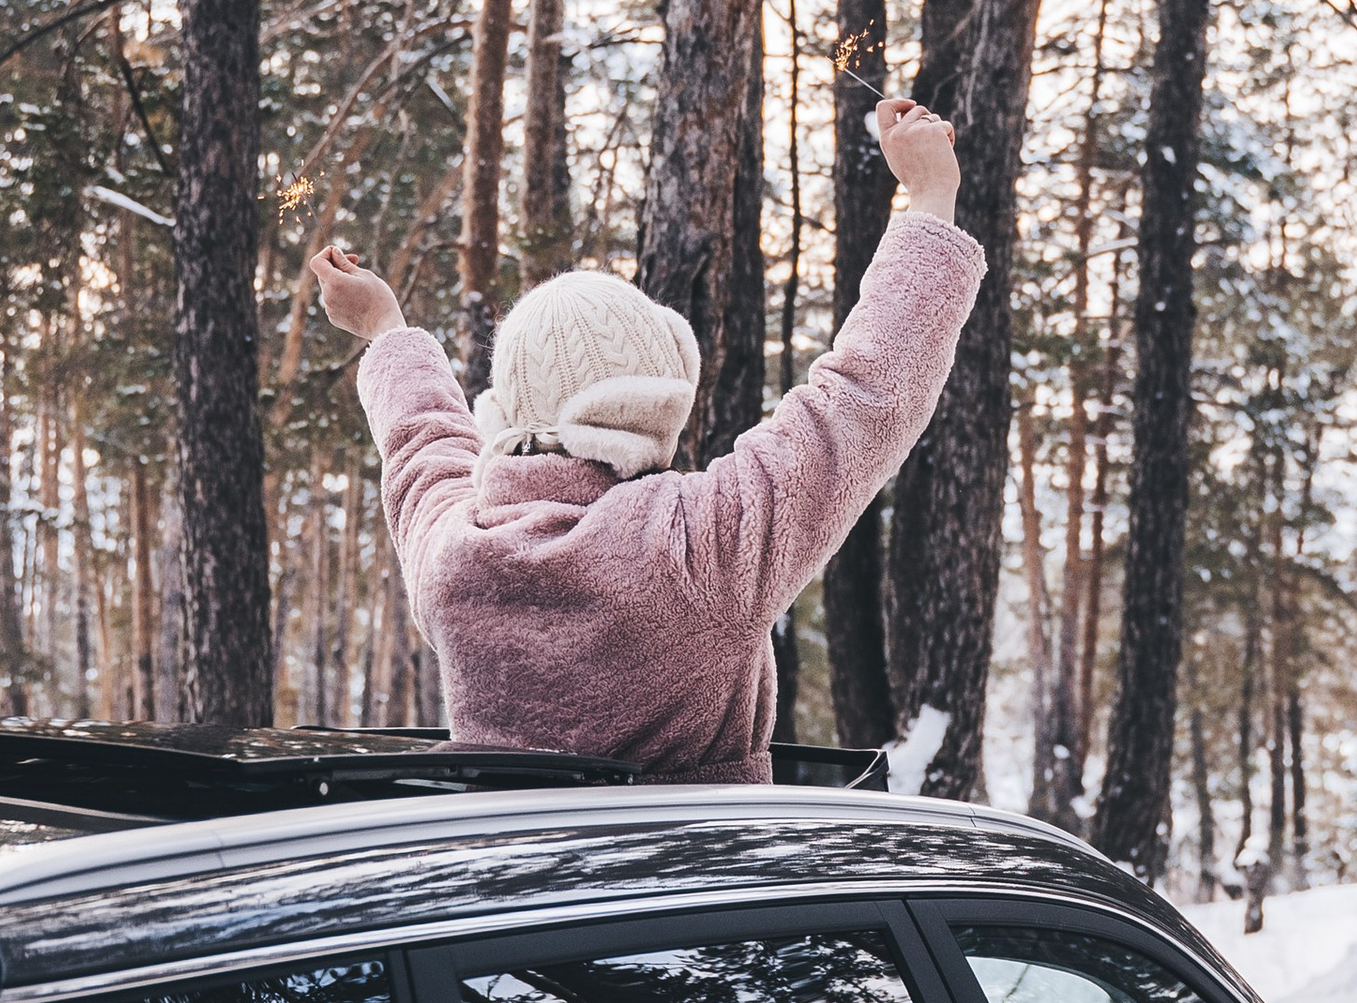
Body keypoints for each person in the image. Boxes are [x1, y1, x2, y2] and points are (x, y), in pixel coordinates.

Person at [311, 95, 981, 781]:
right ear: (656, 391)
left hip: (505, 881)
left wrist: (387, 329)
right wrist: (931, 194)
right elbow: (863, 398)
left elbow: (424, 447)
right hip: (699, 885)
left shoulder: (457, 555)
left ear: (510, 409)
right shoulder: (694, 545)